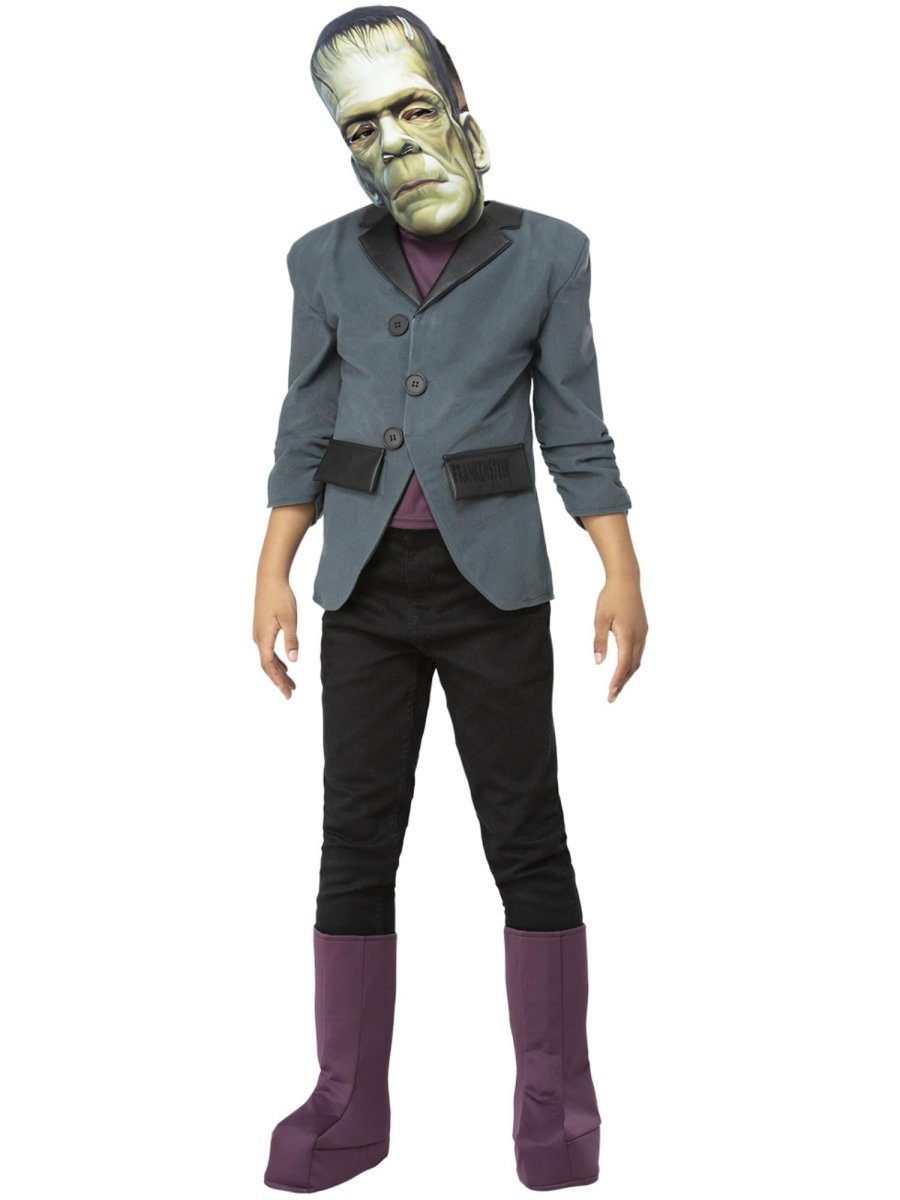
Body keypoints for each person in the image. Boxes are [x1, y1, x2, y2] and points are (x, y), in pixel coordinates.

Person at [252, 6, 648, 1192]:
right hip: (364, 589)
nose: (392, 142)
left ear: (463, 111)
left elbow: (574, 426)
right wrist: (273, 568)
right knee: (353, 839)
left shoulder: (550, 253)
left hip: (494, 589)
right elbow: (304, 423)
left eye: (413, 106)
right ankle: (345, 1107)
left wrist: (621, 566)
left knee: (525, 835)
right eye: (359, 127)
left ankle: (556, 1111)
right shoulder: (320, 259)